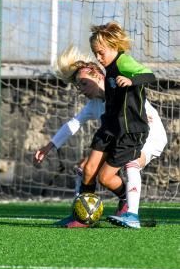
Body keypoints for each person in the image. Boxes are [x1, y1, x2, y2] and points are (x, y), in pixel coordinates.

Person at [34, 45, 167, 229]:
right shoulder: (94, 105)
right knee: (86, 170)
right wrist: (49, 146)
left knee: (132, 163)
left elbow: (143, 118)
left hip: (149, 136)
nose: (81, 90)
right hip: (122, 139)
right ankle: (82, 215)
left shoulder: (120, 90)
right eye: (78, 86)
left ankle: (132, 214)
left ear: (98, 75)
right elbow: (73, 124)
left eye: (83, 83)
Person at [79, 21, 157, 227]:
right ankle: (81, 217)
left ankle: (128, 206)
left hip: (129, 131)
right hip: (109, 127)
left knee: (105, 177)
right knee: (88, 169)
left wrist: (132, 81)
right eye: (95, 53)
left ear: (114, 46)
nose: (98, 57)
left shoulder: (124, 62)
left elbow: (149, 75)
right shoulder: (109, 67)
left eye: (101, 53)